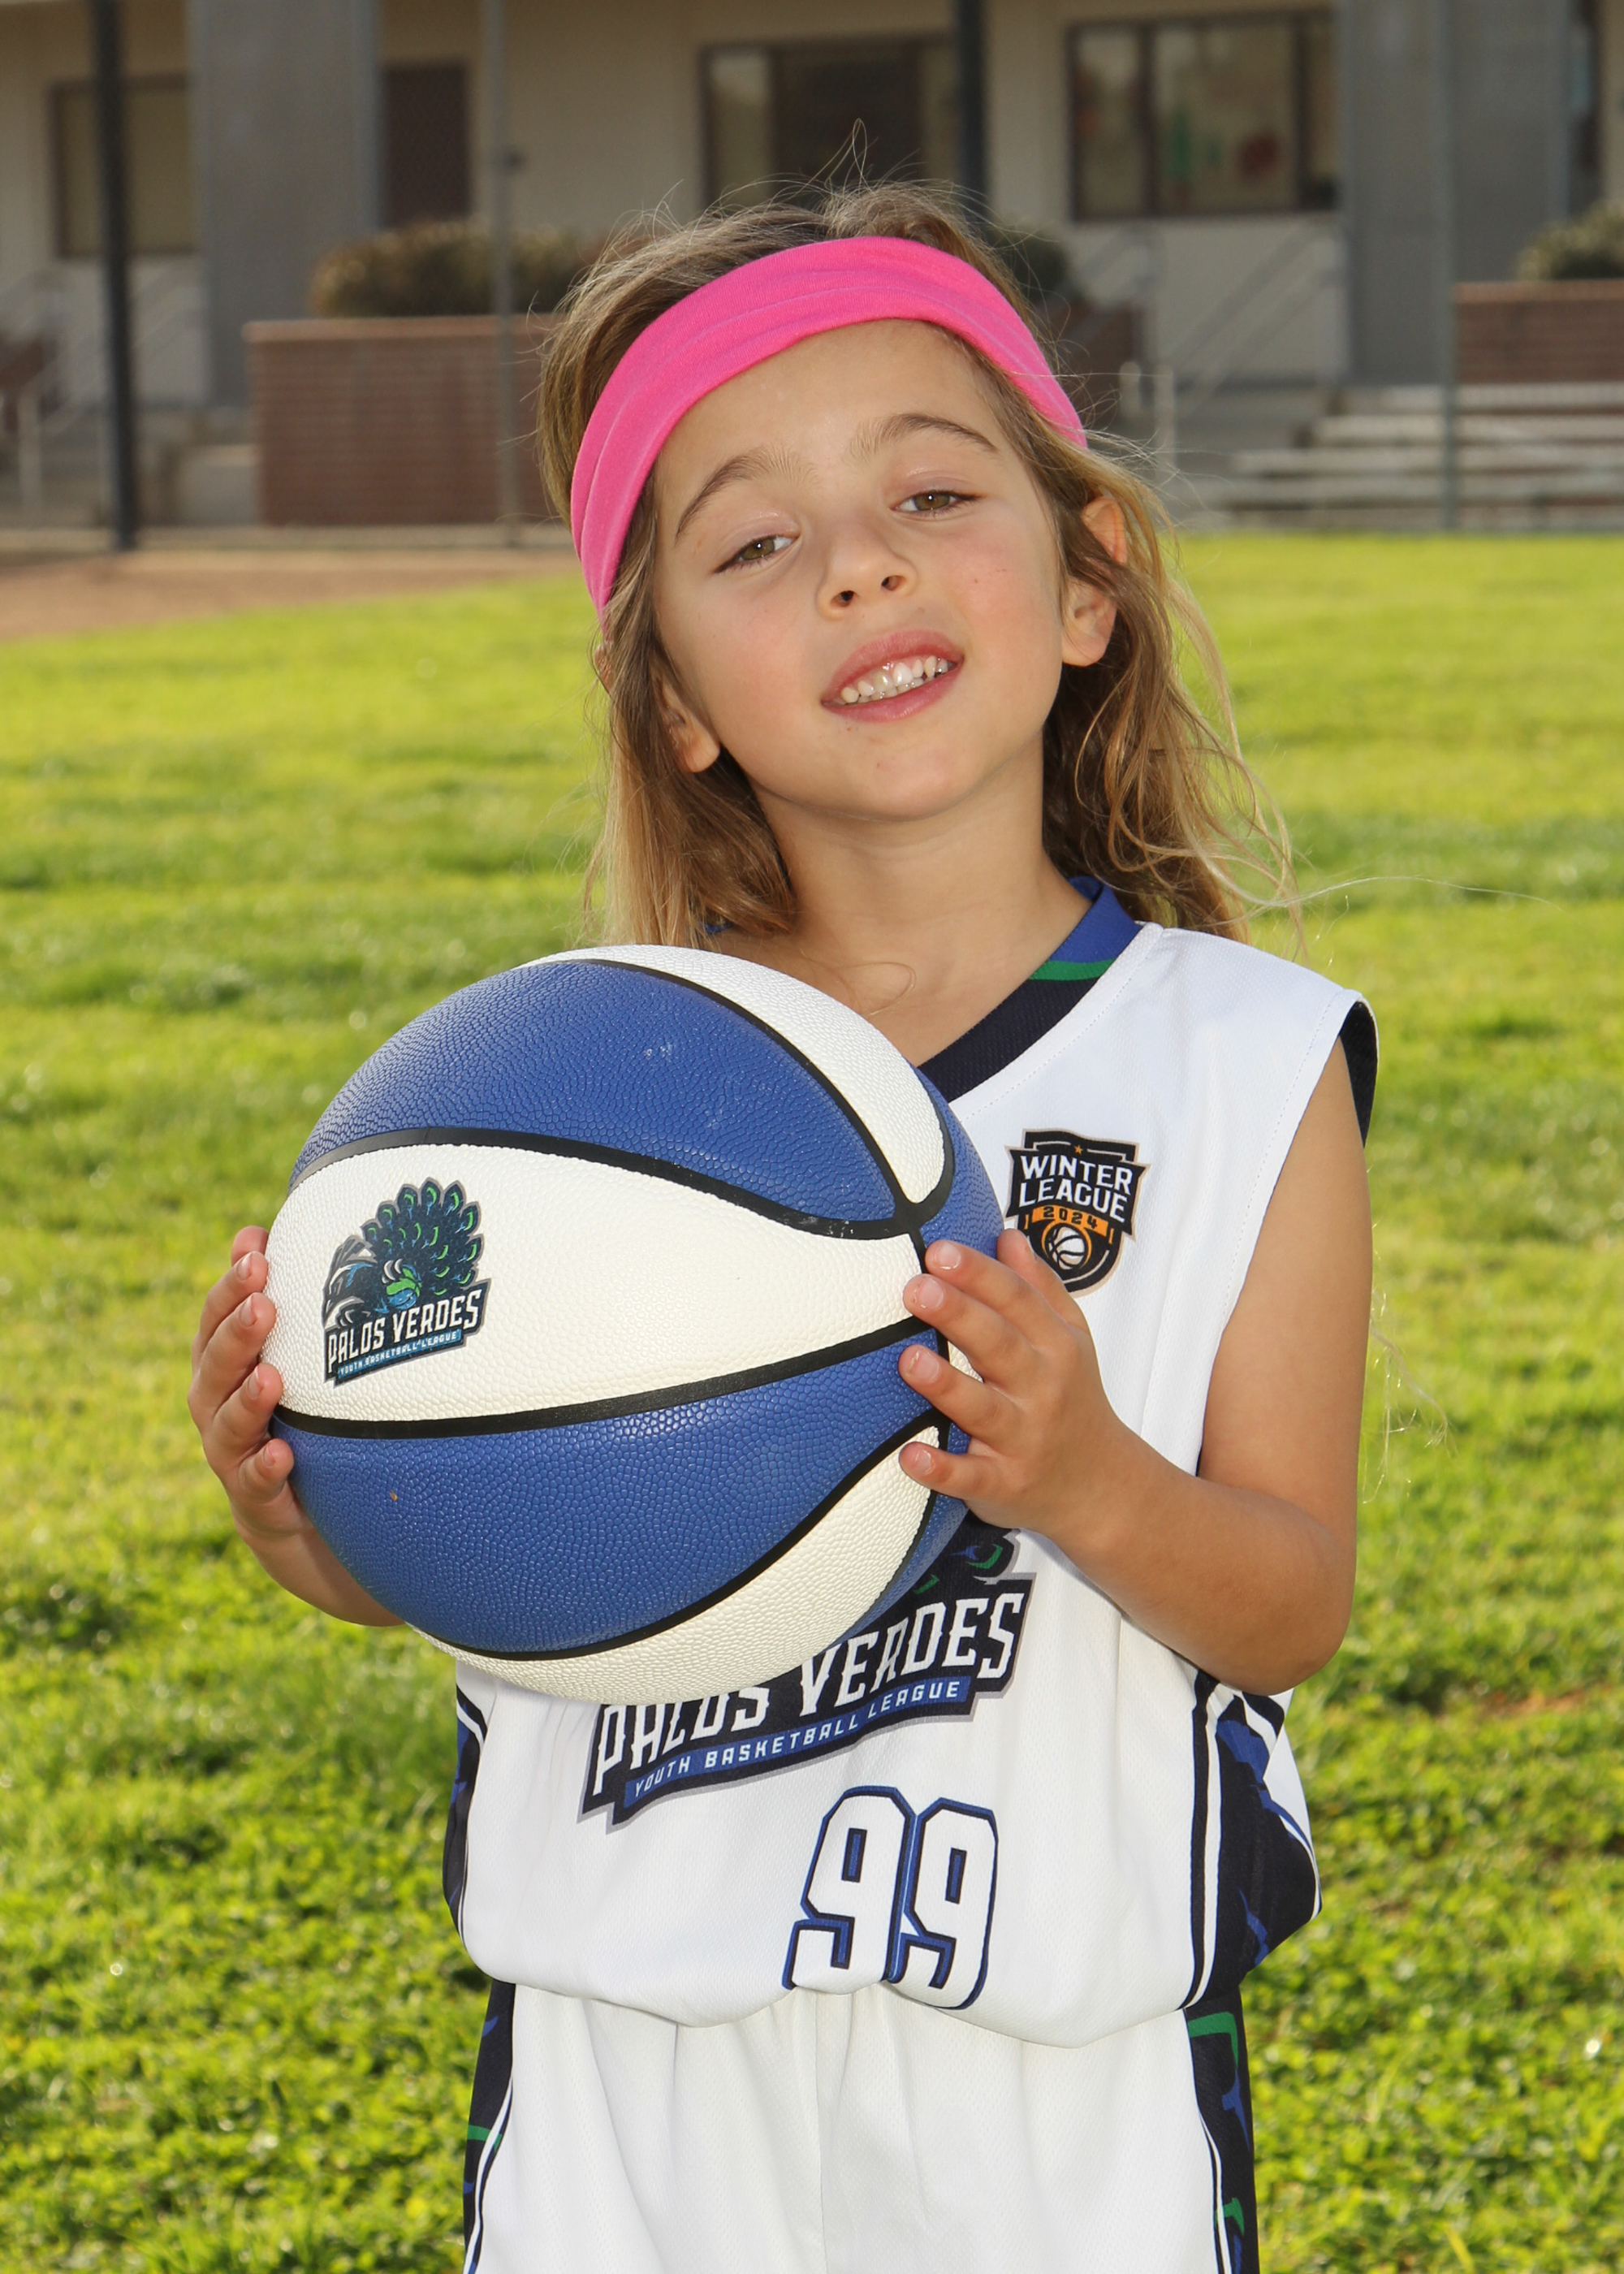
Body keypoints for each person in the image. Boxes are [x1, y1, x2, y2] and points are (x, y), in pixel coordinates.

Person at [188, 184, 1375, 2273]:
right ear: (675, 699)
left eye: (932, 490)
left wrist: (1084, 1473)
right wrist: (325, 1519)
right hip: (627, 2097)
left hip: (1051, 2105)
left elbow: (1285, 1600)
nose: (860, 563)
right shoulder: (574, 1099)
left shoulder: (1242, 1063)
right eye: (755, 542)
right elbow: (508, 1545)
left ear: (1088, 577)